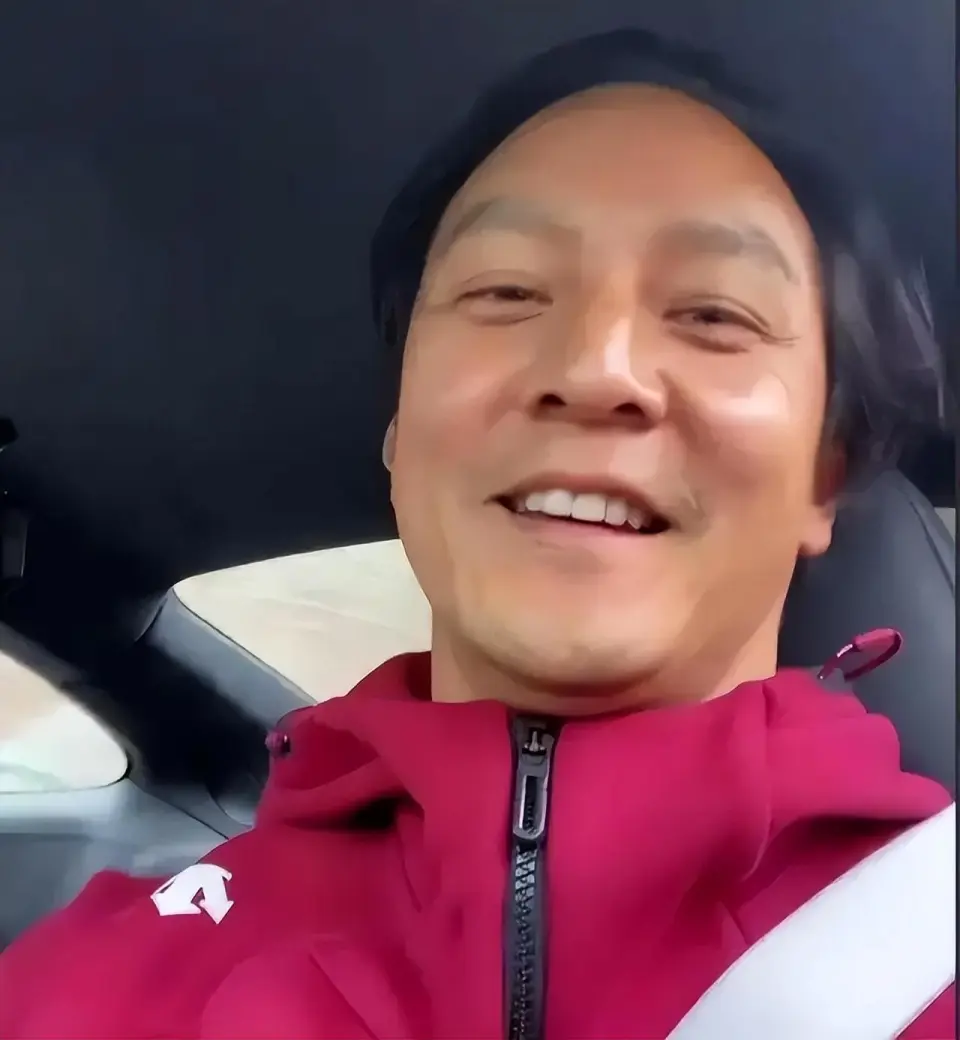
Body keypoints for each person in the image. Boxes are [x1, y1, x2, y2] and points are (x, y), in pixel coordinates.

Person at [0, 29, 952, 1040]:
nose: (594, 368)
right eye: (506, 291)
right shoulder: (83, 984)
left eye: (715, 313)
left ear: (823, 476)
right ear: (400, 431)